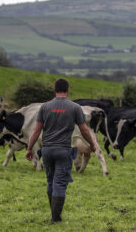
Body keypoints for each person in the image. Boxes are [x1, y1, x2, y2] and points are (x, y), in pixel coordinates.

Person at [25, 78, 97, 224]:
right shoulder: (75, 107)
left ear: (54, 90)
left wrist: (29, 148)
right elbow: (84, 130)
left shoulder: (45, 107)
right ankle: (56, 219)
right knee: (59, 183)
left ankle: (54, 216)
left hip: (46, 150)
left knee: (50, 181)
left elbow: (36, 130)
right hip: (63, 150)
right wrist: (92, 144)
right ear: (68, 90)